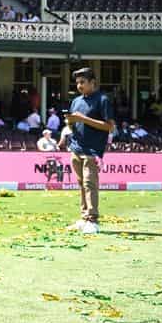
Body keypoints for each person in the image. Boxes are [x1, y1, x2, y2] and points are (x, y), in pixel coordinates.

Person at [65, 67, 114, 234]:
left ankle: (93, 220)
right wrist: (70, 122)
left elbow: (109, 126)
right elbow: (73, 124)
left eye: (82, 82)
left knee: (89, 184)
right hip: (76, 148)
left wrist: (82, 119)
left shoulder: (103, 100)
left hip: (92, 150)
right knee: (81, 184)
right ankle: (84, 217)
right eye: (77, 82)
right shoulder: (76, 101)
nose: (79, 85)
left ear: (93, 83)